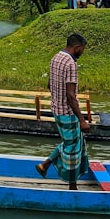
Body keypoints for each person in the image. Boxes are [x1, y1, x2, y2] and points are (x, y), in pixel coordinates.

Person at [35, 33, 90, 190]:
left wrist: (57, 100)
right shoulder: (71, 63)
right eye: (82, 49)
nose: (82, 53)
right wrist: (81, 119)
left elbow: (49, 85)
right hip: (68, 113)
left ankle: (44, 166)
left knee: (73, 143)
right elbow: (71, 95)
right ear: (76, 47)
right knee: (72, 149)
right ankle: (72, 187)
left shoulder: (56, 57)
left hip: (56, 109)